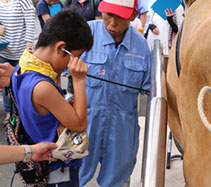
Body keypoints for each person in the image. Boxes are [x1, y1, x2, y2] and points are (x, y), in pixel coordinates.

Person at [10, 8, 93, 186]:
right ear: (61, 48)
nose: (74, 62)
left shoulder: (22, 67)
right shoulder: (43, 88)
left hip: (39, 165)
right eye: (76, 56)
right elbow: (79, 124)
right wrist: (78, 81)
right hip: (56, 171)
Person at [78, 0, 151, 186]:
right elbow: (54, 64)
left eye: (120, 16)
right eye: (108, 14)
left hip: (123, 130)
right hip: (85, 124)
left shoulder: (142, 47)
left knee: (117, 180)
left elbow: (151, 90)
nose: (112, 22)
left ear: (133, 15)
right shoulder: (85, 34)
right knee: (74, 176)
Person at [0, 0, 35, 126]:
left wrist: (28, 48)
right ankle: (8, 113)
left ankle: (22, 114)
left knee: (21, 84)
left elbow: (30, 24)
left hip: (21, 53)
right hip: (3, 52)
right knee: (5, 85)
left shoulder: (23, 1)